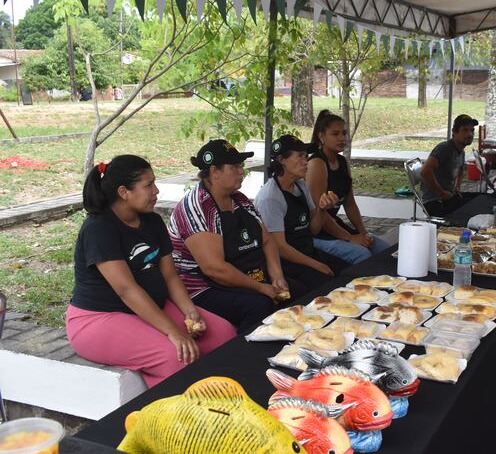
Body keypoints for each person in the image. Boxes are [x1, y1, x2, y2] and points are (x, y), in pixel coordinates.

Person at [66, 155, 236, 388]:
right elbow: (127, 290)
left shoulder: (152, 221)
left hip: (149, 308)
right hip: (98, 318)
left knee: (224, 335)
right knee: (177, 355)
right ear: (124, 192)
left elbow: (170, 276)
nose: (156, 191)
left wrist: (190, 312)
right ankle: (176, 408)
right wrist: (173, 331)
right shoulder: (99, 228)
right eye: (148, 185)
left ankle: (225, 396)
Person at [168, 140, 296, 336]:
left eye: (240, 166)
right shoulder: (197, 207)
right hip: (201, 287)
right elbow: (214, 269)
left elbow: (267, 240)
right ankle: (245, 351)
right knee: (258, 305)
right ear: (214, 172)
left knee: (296, 289)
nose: (241, 171)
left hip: (243, 271)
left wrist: (277, 276)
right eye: (234, 167)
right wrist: (261, 288)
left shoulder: (239, 199)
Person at [255, 134, 349, 284]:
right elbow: (279, 247)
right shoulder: (270, 198)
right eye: (299, 156)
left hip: (307, 250)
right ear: (281, 160)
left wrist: (322, 209)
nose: (306, 162)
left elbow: (313, 230)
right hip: (286, 263)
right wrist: (316, 265)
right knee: (328, 283)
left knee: (348, 273)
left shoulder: (300, 185)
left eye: (306, 156)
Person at [306, 110, 391, 264]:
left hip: (335, 225)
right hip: (317, 232)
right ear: (322, 136)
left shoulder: (343, 162)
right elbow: (320, 213)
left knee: (385, 250)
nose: (342, 138)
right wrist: (350, 237)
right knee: (362, 255)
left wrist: (363, 232)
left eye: (344, 133)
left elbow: (350, 204)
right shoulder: (316, 164)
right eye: (335, 134)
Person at [420, 114, 479, 217]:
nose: (470, 134)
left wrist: (456, 188)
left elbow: (460, 171)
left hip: (449, 198)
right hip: (435, 203)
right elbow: (424, 172)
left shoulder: (461, 152)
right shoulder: (444, 149)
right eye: (465, 130)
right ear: (454, 132)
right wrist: (441, 193)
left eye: (472, 130)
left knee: (481, 199)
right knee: (477, 206)